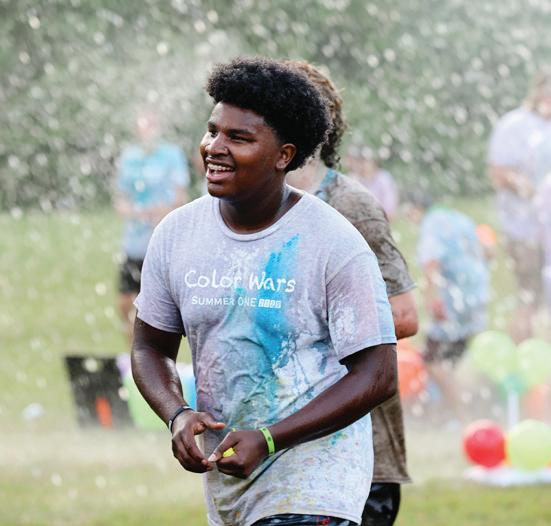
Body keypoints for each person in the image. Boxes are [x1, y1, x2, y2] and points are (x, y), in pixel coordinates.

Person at [131, 57, 398, 526]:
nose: (215, 148)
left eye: (238, 138)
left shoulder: (332, 241)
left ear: (284, 156)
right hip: (231, 487)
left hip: (316, 485)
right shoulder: (176, 234)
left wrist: (272, 437)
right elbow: (150, 347)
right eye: (212, 131)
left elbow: (378, 373)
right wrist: (177, 414)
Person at [285, 60, 418, 526]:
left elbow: (404, 314)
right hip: (282, 448)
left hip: (360, 451)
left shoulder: (350, 205)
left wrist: (301, 323)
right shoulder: (250, 207)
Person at [408, 194, 489, 422]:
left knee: (432, 359)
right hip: (476, 294)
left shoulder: (431, 224)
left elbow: (431, 263)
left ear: (416, 209)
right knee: (452, 360)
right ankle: (453, 410)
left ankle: (463, 416)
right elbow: (486, 251)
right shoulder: (458, 217)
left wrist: (432, 299)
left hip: (453, 300)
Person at [114, 110, 190, 343]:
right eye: (142, 126)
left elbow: (181, 197)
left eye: (150, 125)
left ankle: (150, 351)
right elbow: (120, 199)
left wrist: (161, 212)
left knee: (152, 306)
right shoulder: (129, 157)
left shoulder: (171, 155)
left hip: (160, 242)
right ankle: (134, 352)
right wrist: (137, 212)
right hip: (134, 243)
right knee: (125, 303)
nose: (146, 131)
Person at [487, 70, 551, 341]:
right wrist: (533, 192)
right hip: (523, 228)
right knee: (528, 294)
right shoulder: (515, 125)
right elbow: (499, 172)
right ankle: (523, 352)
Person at [345, 147, 399, 220]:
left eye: (365, 161)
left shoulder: (384, 179)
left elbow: (390, 210)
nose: (362, 165)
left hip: (378, 220)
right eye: (359, 161)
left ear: (373, 162)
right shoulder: (353, 178)